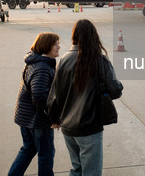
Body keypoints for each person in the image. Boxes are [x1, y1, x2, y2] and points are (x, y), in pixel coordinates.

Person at [47, 19, 123, 176]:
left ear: (74, 36)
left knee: (77, 169)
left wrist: (54, 118)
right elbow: (115, 90)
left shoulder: (63, 60)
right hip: (90, 128)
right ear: (94, 36)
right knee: (91, 172)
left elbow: (54, 95)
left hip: (68, 127)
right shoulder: (99, 60)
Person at [9, 33, 61, 176]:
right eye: (55, 44)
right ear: (46, 46)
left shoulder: (34, 61)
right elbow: (39, 97)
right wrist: (52, 118)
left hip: (25, 117)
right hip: (38, 121)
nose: (59, 47)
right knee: (46, 155)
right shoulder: (42, 67)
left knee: (28, 149)